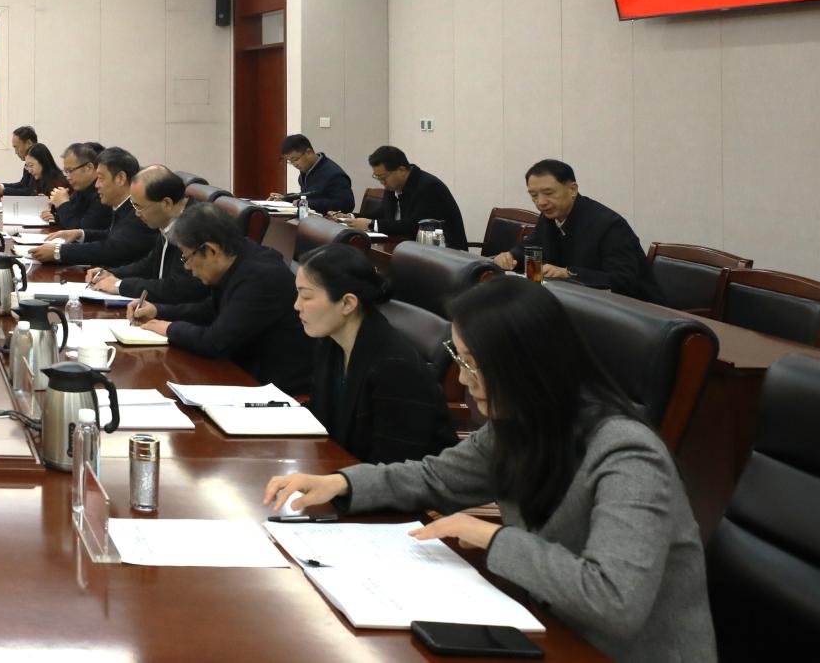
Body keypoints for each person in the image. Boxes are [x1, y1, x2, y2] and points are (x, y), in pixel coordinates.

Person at [264, 276, 715, 663]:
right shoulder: (520, 424)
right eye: (459, 358)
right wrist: (342, 482)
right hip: (544, 628)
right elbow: (436, 478)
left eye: (473, 365)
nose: (462, 379)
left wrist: (492, 537)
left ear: (526, 367)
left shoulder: (629, 455)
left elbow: (613, 600)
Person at [296, 244, 456, 463]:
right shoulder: (331, 340)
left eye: (306, 297)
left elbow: (392, 466)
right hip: (343, 467)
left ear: (347, 303)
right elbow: (320, 414)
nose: (297, 305)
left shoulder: (394, 368)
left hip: (393, 480)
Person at [127, 204, 313, 391]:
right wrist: (158, 311)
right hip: (243, 371)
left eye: (186, 257)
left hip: (273, 388)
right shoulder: (239, 257)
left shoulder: (260, 277)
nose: (186, 267)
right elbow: (211, 309)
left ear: (211, 250)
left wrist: (168, 328)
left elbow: (214, 342)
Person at [496, 159, 662, 303]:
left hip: (634, 311)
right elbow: (532, 246)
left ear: (572, 190)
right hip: (577, 300)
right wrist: (510, 256)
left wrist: (568, 273)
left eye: (548, 193)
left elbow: (622, 280)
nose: (541, 202)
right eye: (533, 195)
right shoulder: (549, 216)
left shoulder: (609, 225)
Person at [87, 167, 204, 306]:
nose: (137, 214)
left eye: (139, 207)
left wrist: (120, 285)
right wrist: (112, 274)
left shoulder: (196, 227)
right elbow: (150, 265)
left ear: (166, 203)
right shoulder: (170, 217)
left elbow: (179, 288)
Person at [33, 146, 153, 270]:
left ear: (120, 178)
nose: (96, 185)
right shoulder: (124, 207)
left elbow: (111, 249)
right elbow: (111, 235)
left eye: (100, 178)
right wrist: (80, 234)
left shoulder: (140, 213)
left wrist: (59, 252)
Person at [340, 146, 466, 248]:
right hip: (405, 246)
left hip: (445, 253)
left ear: (401, 170)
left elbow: (414, 226)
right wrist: (350, 218)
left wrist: (371, 224)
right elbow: (383, 213)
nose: (382, 182)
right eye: (377, 177)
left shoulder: (428, 187)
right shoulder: (393, 186)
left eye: (383, 177)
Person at [273, 134, 354, 214]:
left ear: (308, 152)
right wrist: (285, 198)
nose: (294, 164)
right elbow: (309, 196)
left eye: (296, 159)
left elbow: (346, 205)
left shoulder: (334, 175)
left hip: (327, 220)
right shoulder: (306, 172)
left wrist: (307, 203)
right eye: (290, 161)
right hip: (309, 218)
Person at [44, 142, 112, 231]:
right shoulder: (81, 189)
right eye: (66, 172)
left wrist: (62, 204)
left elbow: (81, 232)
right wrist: (55, 214)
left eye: (70, 170)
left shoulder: (102, 193)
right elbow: (72, 218)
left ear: (89, 168)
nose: (68, 177)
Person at [0, 125, 39, 198]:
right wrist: (0, 186)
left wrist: (3, 190)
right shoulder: (29, 162)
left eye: (16, 147)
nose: (16, 152)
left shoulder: (40, 163)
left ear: (29, 143)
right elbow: (23, 184)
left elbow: (31, 192)